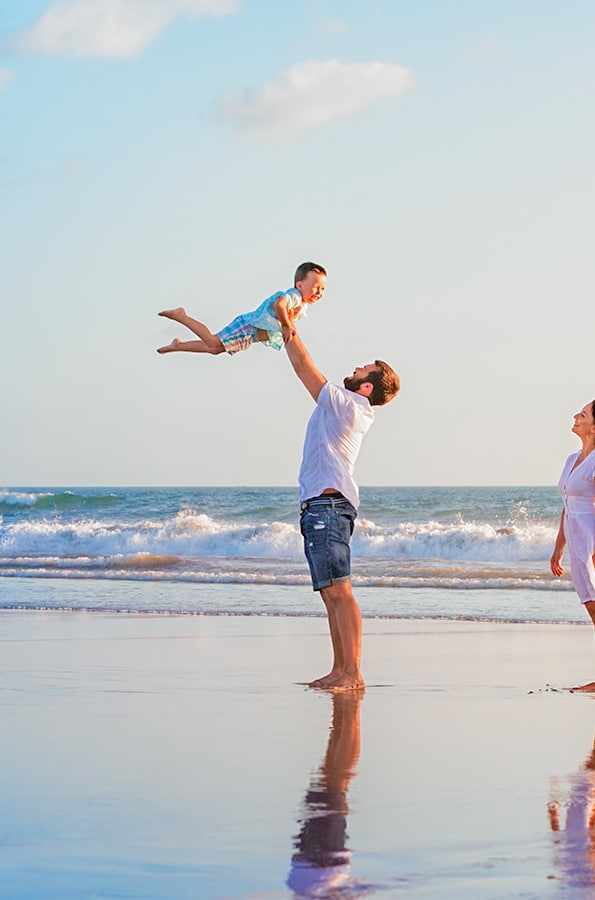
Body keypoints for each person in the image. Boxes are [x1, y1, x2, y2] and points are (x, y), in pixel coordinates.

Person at [285, 332, 400, 691]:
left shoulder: (348, 405)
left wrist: (287, 322)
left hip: (329, 505)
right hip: (320, 504)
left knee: (340, 591)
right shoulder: (344, 405)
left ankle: (352, 673)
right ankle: (339, 670)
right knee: (329, 592)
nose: (354, 369)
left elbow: (303, 367)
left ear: (366, 387)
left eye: (362, 369)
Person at [156, 261, 326, 356]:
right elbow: (279, 304)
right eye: (316, 287)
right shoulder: (294, 295)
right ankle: (182, 316)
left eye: (323, 289)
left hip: (251, 335)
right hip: (248, 326)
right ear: (300, 285)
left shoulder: (302, 305)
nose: (319, 292)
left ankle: (177, 346)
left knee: (214, 349)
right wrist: (288, 326)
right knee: (213, 342)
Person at [550, 400, 595, 690]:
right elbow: (568, 505)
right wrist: (558, 548)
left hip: (591, 538)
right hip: (575, 537)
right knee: (591, 607)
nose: (575, 417)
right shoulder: (571, 459)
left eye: (582, 414)